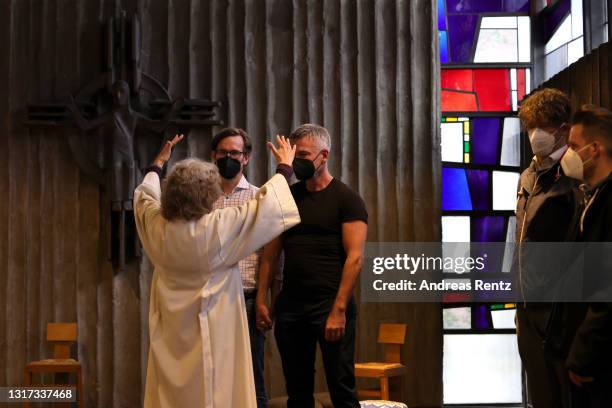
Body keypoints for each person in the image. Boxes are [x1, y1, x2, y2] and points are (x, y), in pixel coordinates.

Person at [134, 134, 300, 408]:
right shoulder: (217, 228)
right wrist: (284, 167)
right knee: (216, 391)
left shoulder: (156, 227)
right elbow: (266, 208)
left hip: (171, 334)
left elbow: (144, 197)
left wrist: (157, 165)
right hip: (211, 329)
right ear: (208, 195)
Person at [256, 124, 368, 408]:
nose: (298, 162)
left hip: (330, 305)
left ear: (324, 155)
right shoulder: (289, 197)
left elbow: (355, 258)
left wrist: (339, 310)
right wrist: (261, 300)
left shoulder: (347, 199)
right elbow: (271, 253)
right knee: (298, 392)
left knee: (341, 388)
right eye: (294, 156)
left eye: (304, 155)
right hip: (292, 307)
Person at [514, 88, 582, 408]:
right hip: (526, 305)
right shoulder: (528, 174)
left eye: (541, 126)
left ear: (563, 130)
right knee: (539, 393)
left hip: (559, 309)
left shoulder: (574, 174)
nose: (535, 134)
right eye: (530, 127)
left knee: (563, 395)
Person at [210, 127, 278, 408]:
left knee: (252, 379)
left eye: (235, 153)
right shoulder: (201, 198)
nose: (229, 157)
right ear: (213, 156)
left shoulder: (258, 197)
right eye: (223, 152)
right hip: (209, 299)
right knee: (211, 375)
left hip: (247, 299)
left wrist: (263, 298)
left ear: (246, 158)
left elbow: (269, 255)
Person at [562, 105, 612, 407]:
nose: (568, 154)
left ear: (595, 149)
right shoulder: (591, 195)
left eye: (573, 146)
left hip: (602, 356)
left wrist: (583, 354)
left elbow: (606, 291)